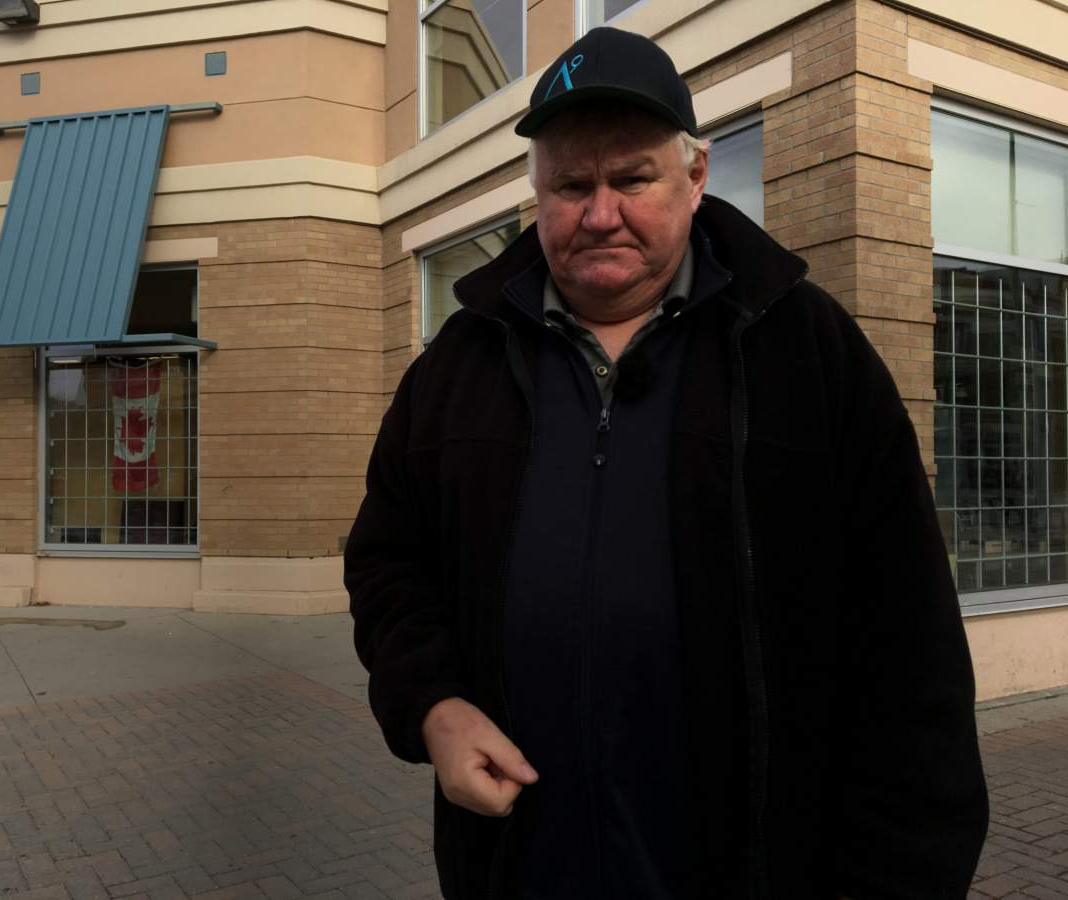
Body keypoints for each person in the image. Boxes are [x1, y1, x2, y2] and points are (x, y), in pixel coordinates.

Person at [344, 25, 989, 900]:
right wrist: (433, 706)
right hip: (519, 865)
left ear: (694, 175)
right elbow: (389, 563)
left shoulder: (808, 353)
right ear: (535, 195)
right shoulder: (459, 365)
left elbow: (910, 646)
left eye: (632, 178)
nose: (600, 211)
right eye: (571, 184)